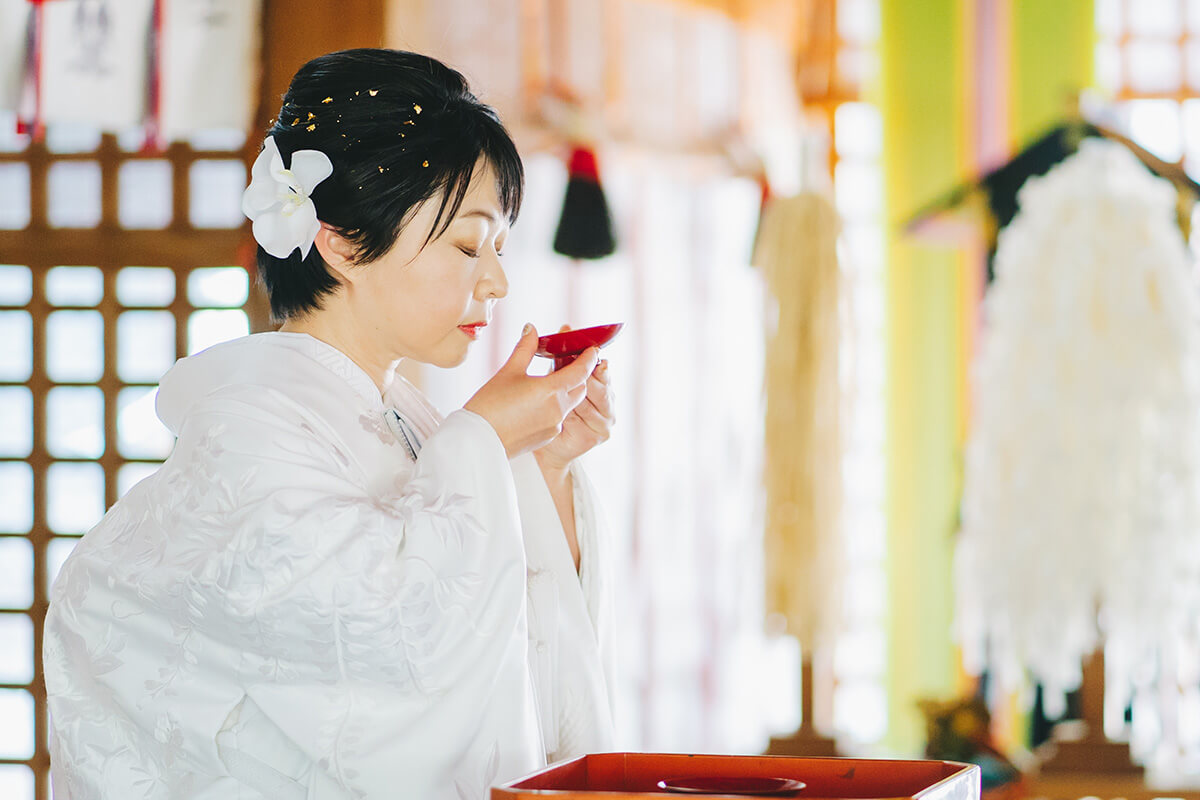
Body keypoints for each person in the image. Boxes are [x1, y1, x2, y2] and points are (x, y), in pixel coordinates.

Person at [44, 48, 617, 800]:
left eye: (501, 247)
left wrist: (536, 470)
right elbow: (376, 658)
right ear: (343, 243)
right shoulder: (249, 436)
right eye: (469, 245)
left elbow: (503, 652)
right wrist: (483, 442)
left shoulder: (407, 414)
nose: (497, 279)